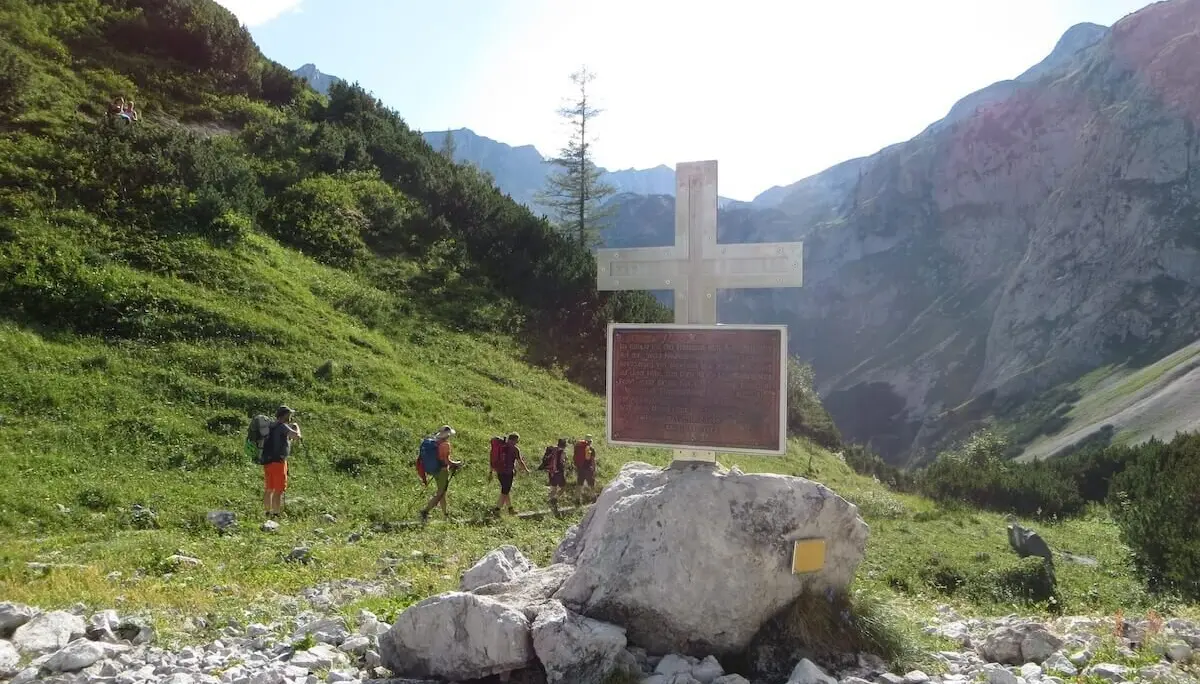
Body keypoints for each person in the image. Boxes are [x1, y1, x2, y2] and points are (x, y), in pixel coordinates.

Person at [260, 406, 301, 519]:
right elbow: (296, 436)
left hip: (267, 462)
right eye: (289, 415)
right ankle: (276, 514)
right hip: (279, 462)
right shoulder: (282, 426)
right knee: (278, 489)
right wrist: (296, 427)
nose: (291, 417)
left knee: (269, 489)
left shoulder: (270, 426)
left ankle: (267, 512)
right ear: (285, 415)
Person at [419, 425, 461, 522]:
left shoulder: (435, 442)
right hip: (442, 471)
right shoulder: (445, 445)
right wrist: (456, 464)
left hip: (435, 470)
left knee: (442, 493)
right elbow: (446, 461)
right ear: (447, 435)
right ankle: (425, 511)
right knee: (440, 493)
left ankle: (445, 514)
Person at [493, 432, 529, 515]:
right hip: (508, 473)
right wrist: (526, 470)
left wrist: (491, 470)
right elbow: (520, 461)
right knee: (505, 491)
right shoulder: (515, 449)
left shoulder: (501, 446)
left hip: (499, 471)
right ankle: (497, 509)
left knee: (506, 490)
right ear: (515, 440)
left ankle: (510, 509)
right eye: (517, 441)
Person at [573, 434, 598, 502]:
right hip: (588, 469)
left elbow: (575, 457)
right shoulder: (591, 449)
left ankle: (577, 499)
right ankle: (594, 498)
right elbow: (592, 460)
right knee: (591, 484)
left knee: (579, 483)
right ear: (590, 441)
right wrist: (594, 469)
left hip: (580, 468)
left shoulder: (578, 447)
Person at [547, 438, 568, 507]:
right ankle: (555, 499)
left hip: (551, 472)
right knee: (563, 488)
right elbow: (563, 462)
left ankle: (550, 501)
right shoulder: (562, 452)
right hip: (559, 472)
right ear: (564, 445)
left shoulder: (552, 449)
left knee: (553, 488)